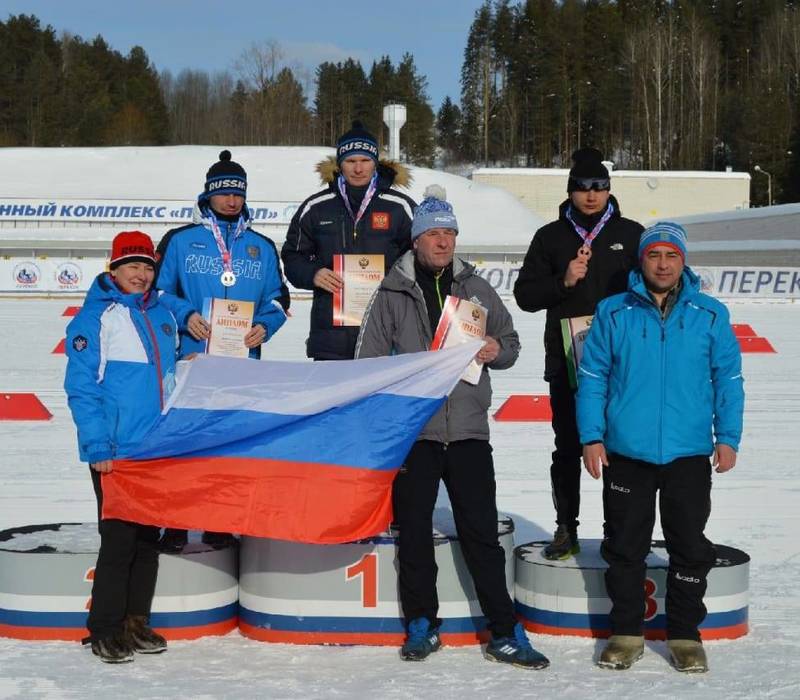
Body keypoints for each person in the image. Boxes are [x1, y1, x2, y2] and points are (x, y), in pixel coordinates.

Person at [356, 186, 549, 670]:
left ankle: (504, 630)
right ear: (416, 240)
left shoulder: (477, 289)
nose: (443, 242)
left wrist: (492, 350)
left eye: (450, 233)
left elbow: (511, 343)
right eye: (434, 233)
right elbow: (368, 362)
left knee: (481, 532)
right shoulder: (391, 291)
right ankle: (423, 623)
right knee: (416, 532)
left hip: (466, 430)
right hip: (415, 432)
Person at [576, 222, 744, 673]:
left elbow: (728, 381)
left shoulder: (711, 314)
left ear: (683, 261)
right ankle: (626, 632)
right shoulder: (612, 312)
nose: (663, 264)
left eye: (671, 255)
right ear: (641, 260)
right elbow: (592, 380)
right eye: (654, 255)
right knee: (625, 546)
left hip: (688, 452)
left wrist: (727, 438)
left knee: (689, 545)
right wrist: (592, 437)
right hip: (626, 453)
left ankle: (686, 634)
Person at [155, 149, 289, 552]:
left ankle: (219, 522)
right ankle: (176, 524)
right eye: (224, 192)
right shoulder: (181, 241)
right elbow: (159, 291)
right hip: (194, 361)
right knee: (186, 444)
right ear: (208, 194)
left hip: (241, 365)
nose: (232, 200)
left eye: (239, 193)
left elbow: (279, 299)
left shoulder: (261, 246)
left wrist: (266, 326)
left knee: (230, 445)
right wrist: (185, 315)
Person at [513, 147, 643, 560]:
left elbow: (653, 287)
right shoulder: (550, 237)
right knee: (568, 447)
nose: (591, 195)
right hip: (568, 361)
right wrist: (563, 281)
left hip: (622, 363)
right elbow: (525, 296)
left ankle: (614, 531)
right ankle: (566, 528)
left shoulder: (632, 234)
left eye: (599, 187)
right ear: (570, 191)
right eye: (583, 188)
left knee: (618, 449)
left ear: (609, 190)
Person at [64, 231, 177, 663]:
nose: (141, 274)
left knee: (149, 539)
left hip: (155, 451)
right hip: (115, 451)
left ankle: (135, 620)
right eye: (132, 265)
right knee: (118, 540)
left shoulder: (163, 315)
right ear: (113, 269)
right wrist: (97, 444)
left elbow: (167, 381)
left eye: (147, 266)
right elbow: (81, 387)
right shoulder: (94, 319)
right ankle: (105, 629)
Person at [282, 120, 415, 361]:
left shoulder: (399, 207)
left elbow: (419, 257)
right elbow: (292, 256)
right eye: (351, 161)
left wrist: (396, 281)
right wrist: (313, 273)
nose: (358, 168)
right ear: (340, 164)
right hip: (331, 338)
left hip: (387, 332)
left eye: (365, 160)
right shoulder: (316, 207)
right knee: (333, 400)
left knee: (380, 399)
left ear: (375, 163)